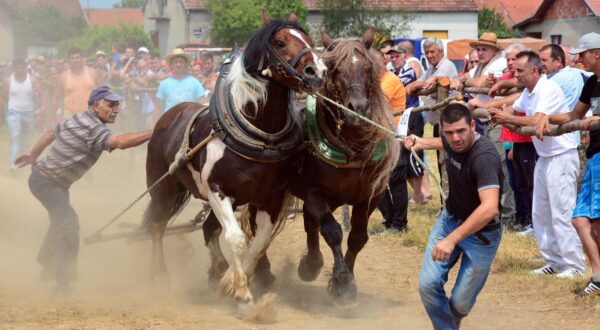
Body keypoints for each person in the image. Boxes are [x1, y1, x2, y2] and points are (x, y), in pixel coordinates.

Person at [14, 86, 153, 295]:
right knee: (68, 224)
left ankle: (46, 264)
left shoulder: (77, 118)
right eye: (111, 105)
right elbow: (120, 143)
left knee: (59, 222)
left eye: (117, 105)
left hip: (49, 181)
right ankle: (63, 284)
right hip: (47, 183)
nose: (116, 110)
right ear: (96, 106)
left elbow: (51, 132)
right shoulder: (94, 128)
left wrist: (33, 154)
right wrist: (156, 131)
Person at [405, 103, 502, 329]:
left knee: (459, 304)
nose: (455, 138)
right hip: (449, 220)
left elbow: (490, 208)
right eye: (449, 133)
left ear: (473, 126)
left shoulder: (484, 156)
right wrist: (421, 142)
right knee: (428, 285)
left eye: (461, 131)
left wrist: (451, 239)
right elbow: (445, 144)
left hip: (482, 236)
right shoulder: (450, 142)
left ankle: (451, 318)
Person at [490, 51, 586, 278]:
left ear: (534, 71)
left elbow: (535, 120)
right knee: (541, 212)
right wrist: (501, 112)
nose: (517, 75)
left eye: (520, 71)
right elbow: (514, 109)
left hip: (561, 156)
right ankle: (553, 261)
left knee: (561, 212)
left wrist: (507, 119)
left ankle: (574, 265)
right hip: (545, 156)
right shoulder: (529, 91)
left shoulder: (547, 89)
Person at [536, 32, 600, 296]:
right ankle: (597, 273)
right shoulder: (592, 84)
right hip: (594, 154)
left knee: (595, 219)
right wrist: (546, 116)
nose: (578, 58)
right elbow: (574, 115)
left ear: (597, 53)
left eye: (583, 53)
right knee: (579, 219)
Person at [370, 49, 409, 233]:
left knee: (396, 181)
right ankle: (390, 220)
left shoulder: (390, 81)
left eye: (374, 63)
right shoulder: (374, 81)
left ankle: (399, 224)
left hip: (394, 136)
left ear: (383, 62)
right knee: (376, 181)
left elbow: (377, 102)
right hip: (378, 137)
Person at [0, 59, 46, 173]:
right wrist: (1, 112)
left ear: (26, 67)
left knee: (25, 139)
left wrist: (42, 109)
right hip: (13, 112)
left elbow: (42, 95)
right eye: (17, 67)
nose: (19, 69)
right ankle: (13, 164)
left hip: (28, 113)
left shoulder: (32, 79)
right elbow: (3, 97)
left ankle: (23, 164)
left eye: (22, 67)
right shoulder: (8, 81)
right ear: (14, 69)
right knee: (15, 136)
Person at [49, 48, 100, 123]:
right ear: (69, 60)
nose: (75, 60)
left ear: (82, 59)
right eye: (72, 58)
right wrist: (51, 121)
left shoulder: (93, 73)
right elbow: (55, 99)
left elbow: (105, 94)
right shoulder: (63, 76)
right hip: (70, 116)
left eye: (78, 57)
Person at [154, 48, 207, 115]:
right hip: (170, 121)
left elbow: (203, 104)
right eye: (175, 62)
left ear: (185, 64)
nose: (178, 65)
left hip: (189, 121)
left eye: (181, 62)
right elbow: (158, 107)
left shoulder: (195, 83)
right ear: (171, 65)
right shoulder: (164, 84)